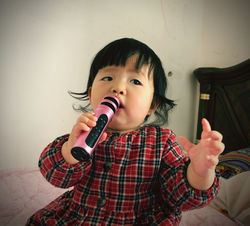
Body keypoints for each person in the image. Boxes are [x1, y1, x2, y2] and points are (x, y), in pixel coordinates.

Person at [26, 38, 224, 225]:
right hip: (80, 217)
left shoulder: (162, 142)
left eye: (135, 81)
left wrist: (199, 171)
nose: (118, 87)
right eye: (108, 77)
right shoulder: (84, 133)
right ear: (90, 94)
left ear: (152, 105)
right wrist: (70, 149)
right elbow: (55, 176)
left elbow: (180, 198)